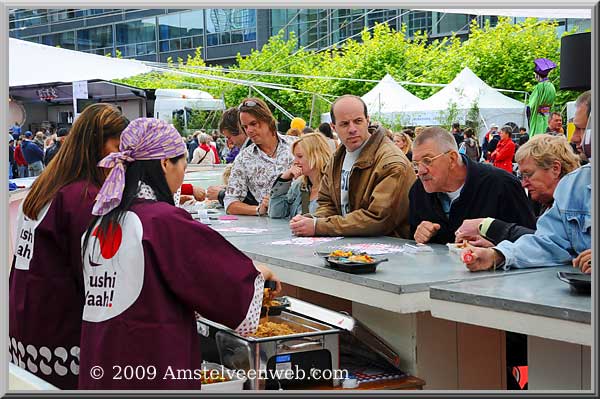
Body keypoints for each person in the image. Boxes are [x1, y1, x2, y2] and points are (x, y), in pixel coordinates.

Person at [78, 118, 281, 389]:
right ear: (164, 163)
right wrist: (258, 272)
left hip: (101, 360)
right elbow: (218, 278)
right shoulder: (161, 220)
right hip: (149, 364)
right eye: (182, 162)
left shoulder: (103, 218)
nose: (184, 171)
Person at [9, 104, 128, 389]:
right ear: (97, 144)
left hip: (25, 319)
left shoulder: (47, 185)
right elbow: (99, 269)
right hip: (61, 326)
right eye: (117, 145)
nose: (123, 156)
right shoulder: (84, 196)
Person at [462, 90, 591, 273]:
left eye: (582, 129)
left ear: (555, 168)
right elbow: (548, 243)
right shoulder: (573, 186)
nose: (575, 138)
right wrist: (497, 255)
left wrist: (491, 227)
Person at [289, 94, 415, 237]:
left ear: (367, 121)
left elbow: (378, 218)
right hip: (350, 248)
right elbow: (326, 203)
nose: (352, 129)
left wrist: (319, 226)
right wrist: (311, 220)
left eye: (358, 121)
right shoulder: (337, 158)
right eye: (344, 123)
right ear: (333, 127)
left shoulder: (392, 162)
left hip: (387, 251)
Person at [409, 127, 536, 245]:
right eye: (415, 163)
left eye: (427, 161)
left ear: (452, 159)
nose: (420, 171)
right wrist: (420, 235)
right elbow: (415, 243)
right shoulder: (418, 191)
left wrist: (496, 247)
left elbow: (532, 241)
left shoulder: (502, 185)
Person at [455, 134, 580, 246]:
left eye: (528, 174)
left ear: (555, 169)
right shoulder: (547, 202)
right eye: (522, 176)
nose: (524, 184)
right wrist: (496, 248)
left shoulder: (580, 205)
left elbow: (551, 243)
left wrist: (487, 225)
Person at [224, 98, 295, 216]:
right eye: (245, 127)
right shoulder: (243, 158)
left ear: (267, 119)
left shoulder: (297, 146)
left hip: (305, 219)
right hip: (275, 227)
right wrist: (258, 209)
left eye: (253, 124)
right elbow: (230, 203)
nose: (249, 130)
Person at [268, 132, 333, 219]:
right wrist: (284, 179)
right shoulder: (299, 185)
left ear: (316, 155)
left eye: (300, 156)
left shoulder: (333, 187)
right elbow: (276, 213)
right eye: (295, 157)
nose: (295, 161)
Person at [206, 107, 253, 206]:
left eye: (229, 137)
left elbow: (252, 197)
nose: (229, 142)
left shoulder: (250, 154)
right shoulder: (248, 152)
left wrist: (221, 194)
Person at [527, 58, 557, 137]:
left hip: (539, 119)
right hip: (548, 118)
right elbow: (552, 104)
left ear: (537, 74)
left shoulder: (539, 87)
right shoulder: (552, 86)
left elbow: (531, 105)